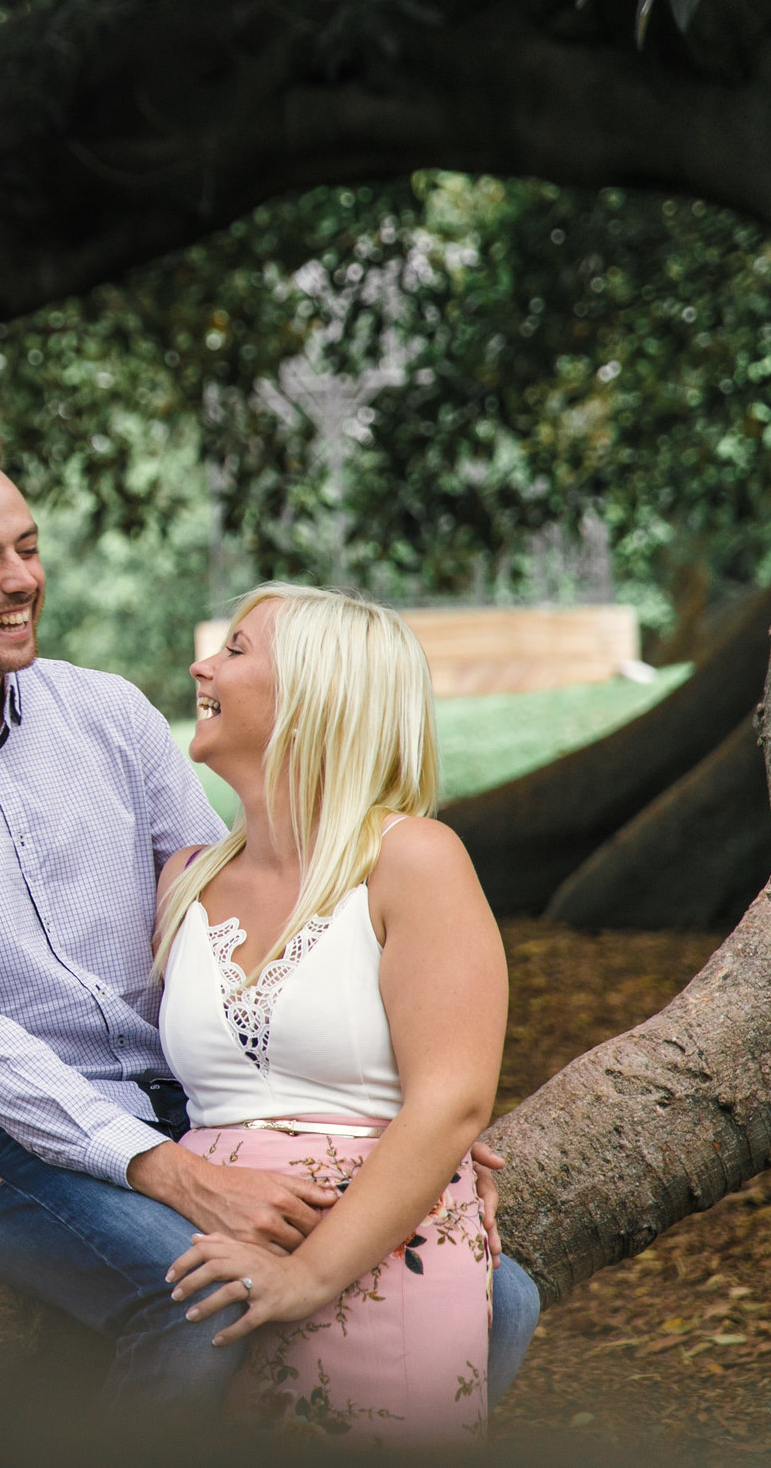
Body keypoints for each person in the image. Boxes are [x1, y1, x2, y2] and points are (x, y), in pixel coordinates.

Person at [0, 435, 539, 1420]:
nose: (20, 581)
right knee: (190, 1302)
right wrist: (168, 1171)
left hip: (185, 1107)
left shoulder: (108, 712)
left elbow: (231, 900)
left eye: (26, 545)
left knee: (500, 1290)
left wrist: (406, 1114)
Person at [156, 584, 502, 1444]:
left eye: (235, 649)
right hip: (207, 1258)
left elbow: (453, 1098)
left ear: (315, 699)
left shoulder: (412, 858)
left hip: (379, 1266)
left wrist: (307, 1276)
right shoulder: (184, 879)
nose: (202, 664)